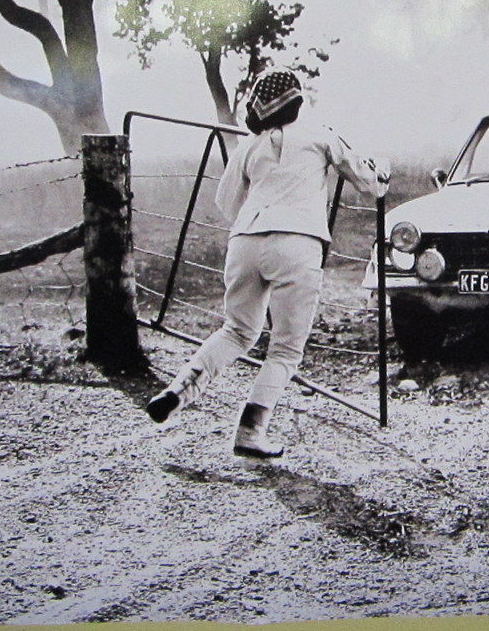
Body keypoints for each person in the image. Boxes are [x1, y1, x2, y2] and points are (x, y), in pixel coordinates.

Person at [145, 69, 389, 458]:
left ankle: (179, 388)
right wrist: (383, 170)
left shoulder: (248, 146)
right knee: (286, 349)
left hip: (245, 240)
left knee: (237, 331)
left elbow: (225, 203)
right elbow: (373, 184)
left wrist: (259, 215)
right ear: (297, 102)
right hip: (298, 241)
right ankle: (251, 431)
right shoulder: (320, 134)